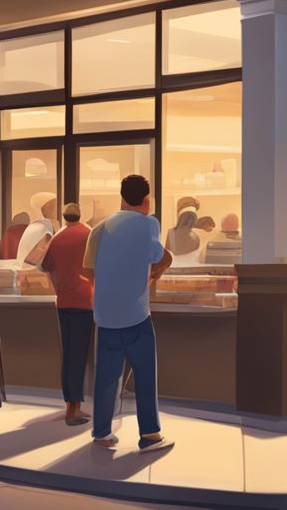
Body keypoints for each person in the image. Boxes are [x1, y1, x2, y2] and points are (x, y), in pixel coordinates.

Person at [82, 174, 174, 453]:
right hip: (136, 314)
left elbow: (87, 270)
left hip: (106, 315)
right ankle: (149, 435)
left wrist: (111, 281)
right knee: (145, 375)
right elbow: (158, 256)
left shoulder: (100, 227)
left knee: (107, 376)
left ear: (121, 196)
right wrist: (154, 271)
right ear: (147, 199)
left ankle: (101, 432)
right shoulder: (149, 224)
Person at [40, 203, 94, 426]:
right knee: (79, 356)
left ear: (64, 217)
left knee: (68, 354)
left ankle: (69, 405)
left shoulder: (57, 238)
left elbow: (45, 266)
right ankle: (75, 410)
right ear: (81, 215)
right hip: (84, 301)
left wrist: (58, 283)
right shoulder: (89, 235)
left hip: (62, 302)